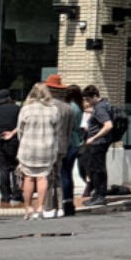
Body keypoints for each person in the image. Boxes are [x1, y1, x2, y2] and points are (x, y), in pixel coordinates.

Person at [16, 83, 59, 220]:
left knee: (28, 177)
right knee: (42, 177)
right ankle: (40, 207)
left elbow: (20, 130)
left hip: (29, 147)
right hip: (46, 147)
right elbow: (56, 130)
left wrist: (22, 142)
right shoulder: (53, 109)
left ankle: (28, 208)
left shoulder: (26, 109)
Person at [42, 74, 75, 218]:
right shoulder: (68, 108)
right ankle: (61, 205)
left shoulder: (47, 106)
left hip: (48, 144)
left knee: (48, 176)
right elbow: (69, 130)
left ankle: (49, 206)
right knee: (59, 176)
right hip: (62, 145)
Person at [81, 85, 114, 207]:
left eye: (89, 99)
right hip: (100, 142)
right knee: (96, 168)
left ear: (95, 96)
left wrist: (94, 137)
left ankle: (100, 195)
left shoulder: (100, 108)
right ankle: (98, 194)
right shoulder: (104, 105)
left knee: (97, 169)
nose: (88, 102)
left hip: (98, 143)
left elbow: (108, 125)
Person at [56, 86, 84, 217]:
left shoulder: (71, 108)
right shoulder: (78, 106)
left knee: (64, 173)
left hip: (69, 142)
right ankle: (69, 201)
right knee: (67, 173)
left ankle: (66, 201)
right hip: (75, 142)